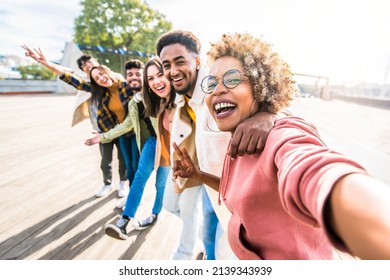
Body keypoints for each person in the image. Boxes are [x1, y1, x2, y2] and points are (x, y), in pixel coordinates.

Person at [172, 32, 390, 260]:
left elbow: (312, 169)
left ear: (260, 86)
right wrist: (198, 175)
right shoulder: (240, 135)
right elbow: (243, 191)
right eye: (212, 82)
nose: (218, 89)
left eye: (233, 79)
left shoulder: (279, 135)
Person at [156, 30, 275, 260]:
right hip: (212, 185)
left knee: (226, 251)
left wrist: (268, 116)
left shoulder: (215, 88)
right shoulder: (181, 98)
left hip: (238, 198)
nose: (173, 71)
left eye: (180, 61)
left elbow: (266, 102)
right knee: (208, 236)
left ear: (197, 61)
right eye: (167, 65)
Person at [85, 57, 175, 239]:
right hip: (152, 141)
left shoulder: (173, 96)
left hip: (169, 144)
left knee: (161, 183)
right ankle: (125, 220)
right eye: (150, 78)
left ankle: (154, 214)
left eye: (159, 75)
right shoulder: (137, 101)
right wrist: (103, 137)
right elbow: (126, 124)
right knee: (140, 177)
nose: (155, 81)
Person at [21, 45, 128, 198]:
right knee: (105, 160)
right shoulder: (94, 86)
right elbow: (71, 78)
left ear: (98, 63)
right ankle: (107, 183)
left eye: (91, 63)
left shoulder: (117, 79)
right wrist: (46, 63)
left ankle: (123, 182)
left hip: (123, 127)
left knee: (123, 158)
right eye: (85, 67)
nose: (89, 67)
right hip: (104, 128)